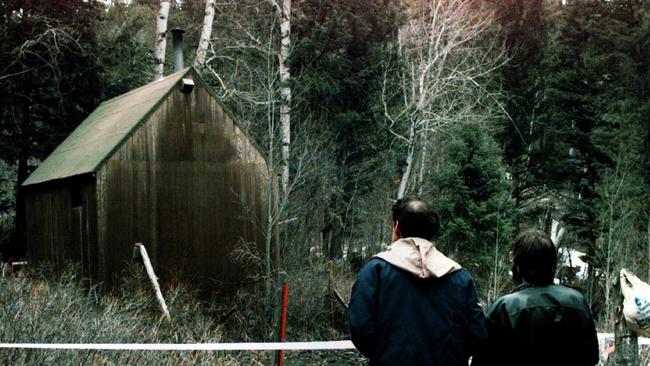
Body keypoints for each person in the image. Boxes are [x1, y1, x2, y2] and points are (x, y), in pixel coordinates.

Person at [347, 196, 486, 365]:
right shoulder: (459, 277)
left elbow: (360, 328)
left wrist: (385, 353)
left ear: (397, 228)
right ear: (434, 231)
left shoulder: (376, 271)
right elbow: (477, 335)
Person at [472, 229, 599, 366]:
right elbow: (591, 357)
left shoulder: (505, 308)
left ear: (518, 265)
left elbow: (483, 360)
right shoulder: (577, 301)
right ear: (552, 264)